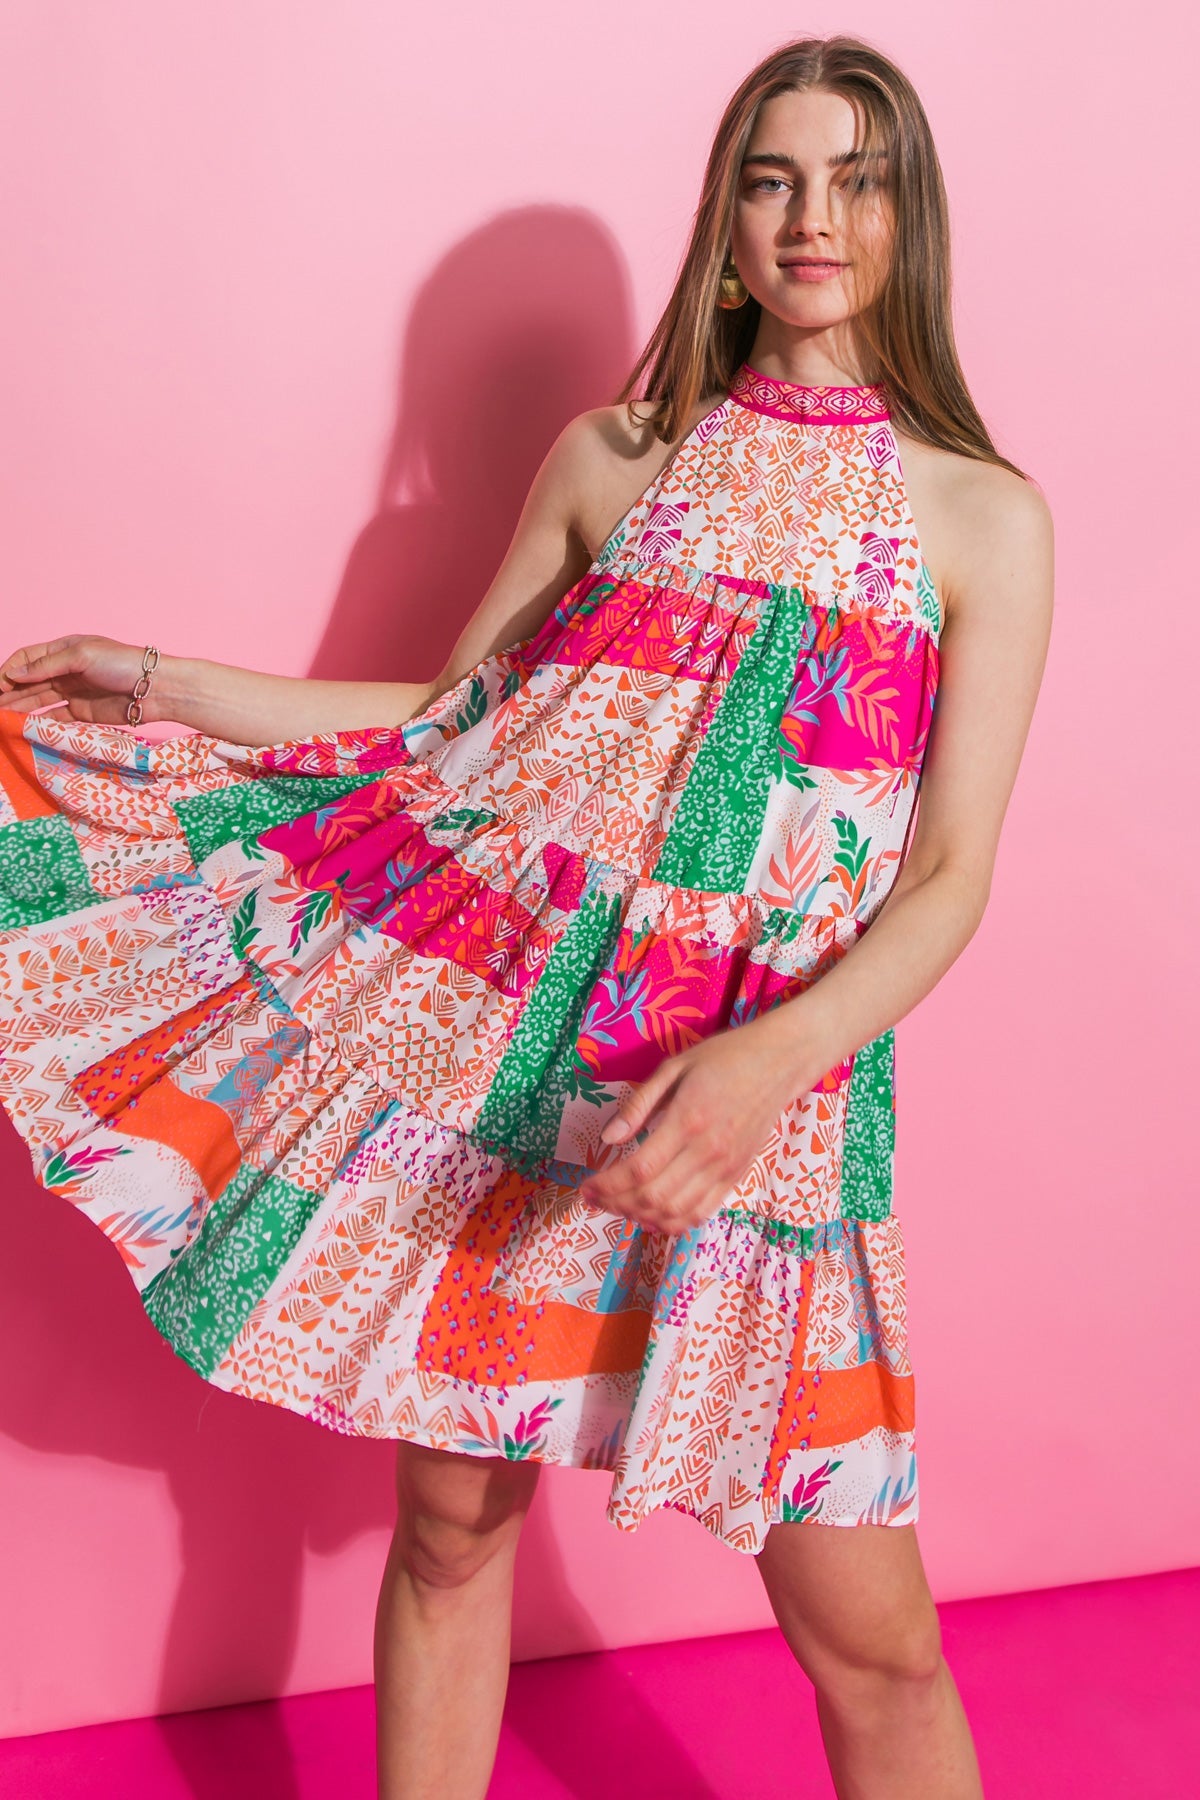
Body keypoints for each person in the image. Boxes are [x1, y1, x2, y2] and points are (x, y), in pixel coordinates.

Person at [0, 32, 1052, 1800]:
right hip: (517, 1053)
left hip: (760, 1098)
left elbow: (952, 877)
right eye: (774, 179)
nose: (813, 217)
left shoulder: (981, 519)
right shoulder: (619, 454)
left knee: (874, 1640)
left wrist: (761, 1071)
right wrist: (159, 680)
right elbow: (447, 729)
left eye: (856, 180)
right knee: (449, 1535)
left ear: (908, 220)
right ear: (727, 225)